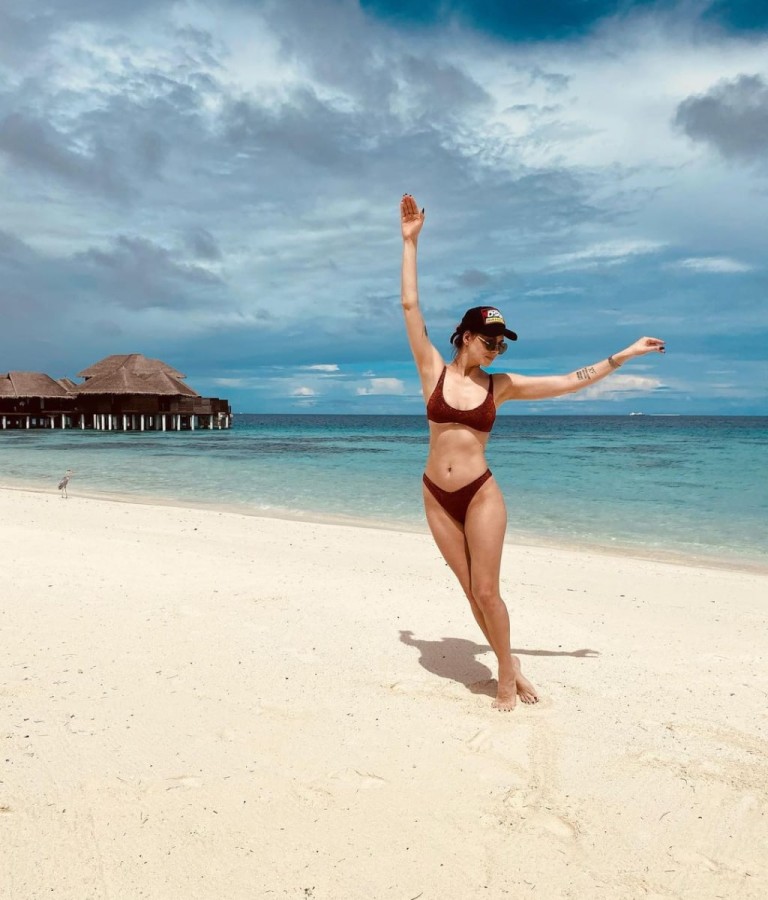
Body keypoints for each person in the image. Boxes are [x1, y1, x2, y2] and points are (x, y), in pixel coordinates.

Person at [399, 194, 665, 711]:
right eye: (490, 341)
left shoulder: (501, 386)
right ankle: (510, 662)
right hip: (435, 495)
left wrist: (623, 355)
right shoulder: (432, 369)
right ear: (467, 337)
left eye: (502, 344)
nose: (496, 349)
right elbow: (411, 307)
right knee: (469, 591)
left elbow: (568, 381)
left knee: (488, 591)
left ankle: (504, 673)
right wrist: (410, 243)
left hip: (479, 494)